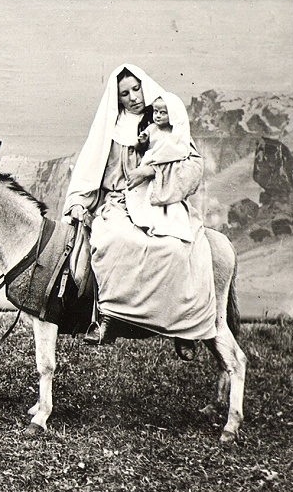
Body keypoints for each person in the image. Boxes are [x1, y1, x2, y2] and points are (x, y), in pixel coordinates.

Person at [63, 65, 216, 357]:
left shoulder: (162, 120)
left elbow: (192, 165)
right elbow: (90, 170)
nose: (133, 97)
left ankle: (184, 327)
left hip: (157, 201)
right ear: (116, 98)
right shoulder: (109, 128)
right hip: (118, 203)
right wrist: (80, 201)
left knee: (177, 248)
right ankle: (109, 317)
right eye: (125, 93)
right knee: (111, 240)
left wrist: (151, 172)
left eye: (136, 89)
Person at [125, 92, 194, 241]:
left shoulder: (175, 133)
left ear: (173, 115)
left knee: (165, 205)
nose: (158, 116)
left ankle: (163, 225)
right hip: (149, 165)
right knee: (143, 197)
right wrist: (142, 141)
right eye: (156, 111)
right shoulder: (152, 128)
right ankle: (145, 221)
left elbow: (178, 153)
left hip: (163, 173)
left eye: (163, 113)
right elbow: (140, 147)